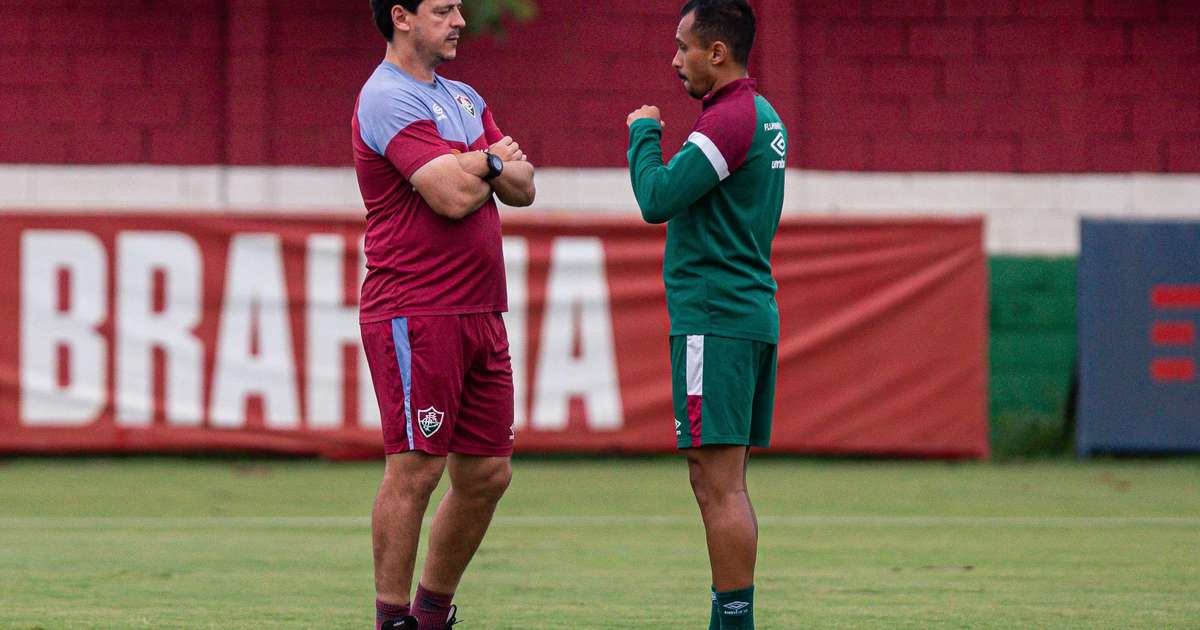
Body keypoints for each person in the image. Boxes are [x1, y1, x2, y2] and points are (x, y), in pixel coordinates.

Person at [352, 1, 535, 628]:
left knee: (487, 473)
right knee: (416, 469)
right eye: (443, 8)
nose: (459, 19)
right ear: (401, 16)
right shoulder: (386, 96)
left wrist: (480, 165)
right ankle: (391, 618)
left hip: (483, 310)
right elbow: (454, 196)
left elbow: (526, 186)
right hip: (416, 310)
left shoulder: (463, 95)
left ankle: (431, 616)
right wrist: (487, 159)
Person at [625, 1, 785, 628]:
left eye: (683, 45)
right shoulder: (763, 116)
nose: (675, 59)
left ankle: (733, 622)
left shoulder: (728, 120)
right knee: (723, 481)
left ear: (717, 53)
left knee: (718, 484)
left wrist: (643, 133)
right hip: (745, 313)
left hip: (714, 318)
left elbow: (657, 198)